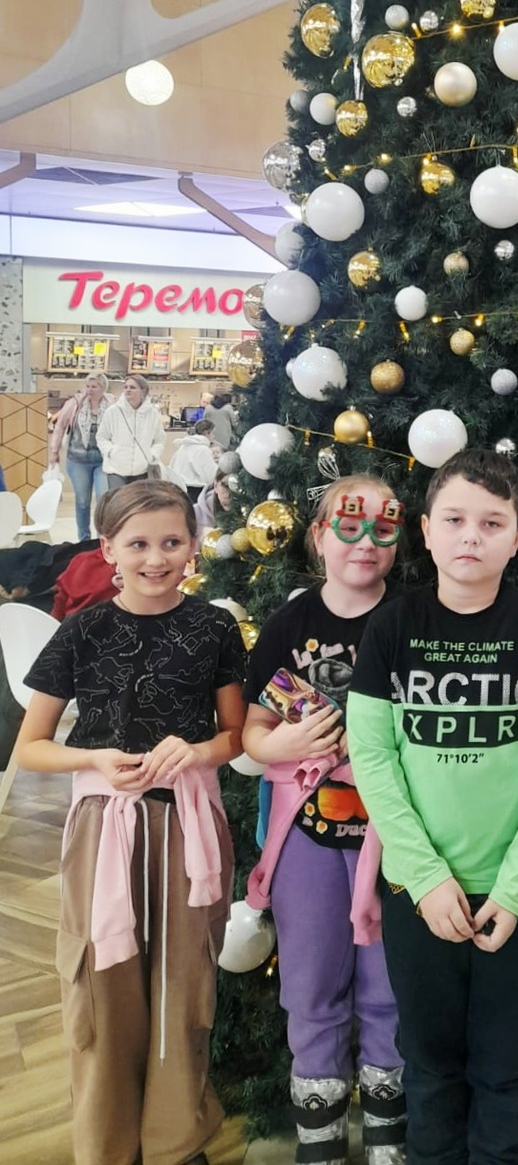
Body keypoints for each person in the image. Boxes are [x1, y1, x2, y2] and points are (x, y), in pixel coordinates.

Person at [347, 449, 518, 1165]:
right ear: (425, 530)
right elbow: (374, 760)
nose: (470, 537)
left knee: (509, 1068)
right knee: (429, 1067)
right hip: (419, 894)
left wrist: (516, 889)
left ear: (517, 538)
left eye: (491, 523)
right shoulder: (392, 628)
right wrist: (424, 878)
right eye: (453, 520)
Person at [13, 481, 246, 1165]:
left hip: (187, 825)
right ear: (108, 548)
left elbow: (235, 735)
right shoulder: (82, 631)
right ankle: (109, 1140)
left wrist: (198, 751)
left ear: (193, 546)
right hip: (103, 828)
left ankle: (175, 1136)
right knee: (102, 980)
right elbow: (31, 747)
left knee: (183, 980)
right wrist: (93, 759)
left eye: (171, 542)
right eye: (138, 544)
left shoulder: (214, 627)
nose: (156, 558)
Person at [241, 476, 408, 1165]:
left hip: (397, 834)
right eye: (348, 525)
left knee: (390, 985)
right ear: (317, 536)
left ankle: (390, 1138)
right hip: (306, 837)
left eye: (383, 528)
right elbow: (252, 732)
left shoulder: (416, 617)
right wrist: (279, 742)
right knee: (310, 982)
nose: (365, 541)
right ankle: (319, 1140)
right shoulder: (290, 625)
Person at [48, 373, 111, 541]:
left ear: (103, 388)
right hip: (78, 460)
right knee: (82, 501)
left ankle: (102, 539)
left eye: (94, 386)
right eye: (88, 386)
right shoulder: (75, 403)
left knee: (103, 499)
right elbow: (60, 426)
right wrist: (54, 451)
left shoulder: (112, 405)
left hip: (104, 461)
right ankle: (84, 539)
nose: (90, 390)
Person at [97, 374, 166, 490]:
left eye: (132, 387)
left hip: (142, 470)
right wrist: (111, 451)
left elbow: (160, 439)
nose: (128, 390)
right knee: (118, 499)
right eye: (126, 387)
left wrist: (153, 455)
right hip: (116, 469)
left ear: (143, 391)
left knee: (138, 501)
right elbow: (101, 437)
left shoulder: (152, 414)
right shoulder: (113, 411)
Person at [166, 418, 219, 503]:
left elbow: (172, 466)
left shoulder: (183, 447)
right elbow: (210, 476)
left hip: (179, 490)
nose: (214, 436)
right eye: (213, 433)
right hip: (197, 493)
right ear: (207, 432)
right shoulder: (203, 450)